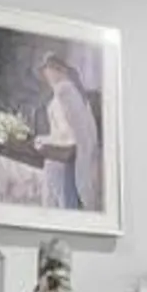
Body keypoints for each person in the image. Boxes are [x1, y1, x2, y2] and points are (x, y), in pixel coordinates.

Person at [36, 50, 100, 212]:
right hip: (61, 153)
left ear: (59, 70)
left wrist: (46, 142)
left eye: (49, 70)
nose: (47, 76)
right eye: (46, 71)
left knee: (62, 200)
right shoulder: (68, 91)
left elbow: (72, 133)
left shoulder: (65, 90)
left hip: (63, 156)